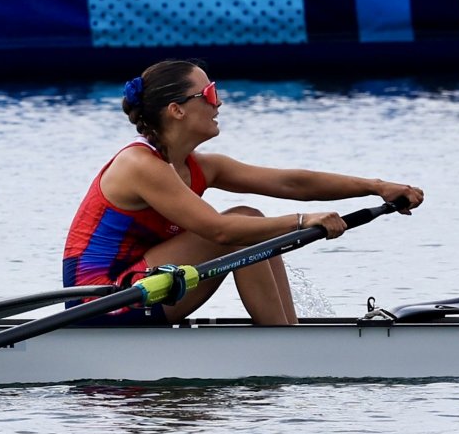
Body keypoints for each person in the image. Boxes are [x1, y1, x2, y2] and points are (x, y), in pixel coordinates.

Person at [63, 60, 424, 326]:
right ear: (176, 111)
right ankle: (284, 345)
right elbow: (219, 232)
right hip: (103, 298)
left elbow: (291, 183)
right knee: (238, 226)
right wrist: (303, 221)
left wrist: (377, 187)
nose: (218, 103)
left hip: (150, 284)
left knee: (247, 218)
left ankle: (287, 333)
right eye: (209, 94)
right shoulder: (138, 165)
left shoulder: (201, 166)